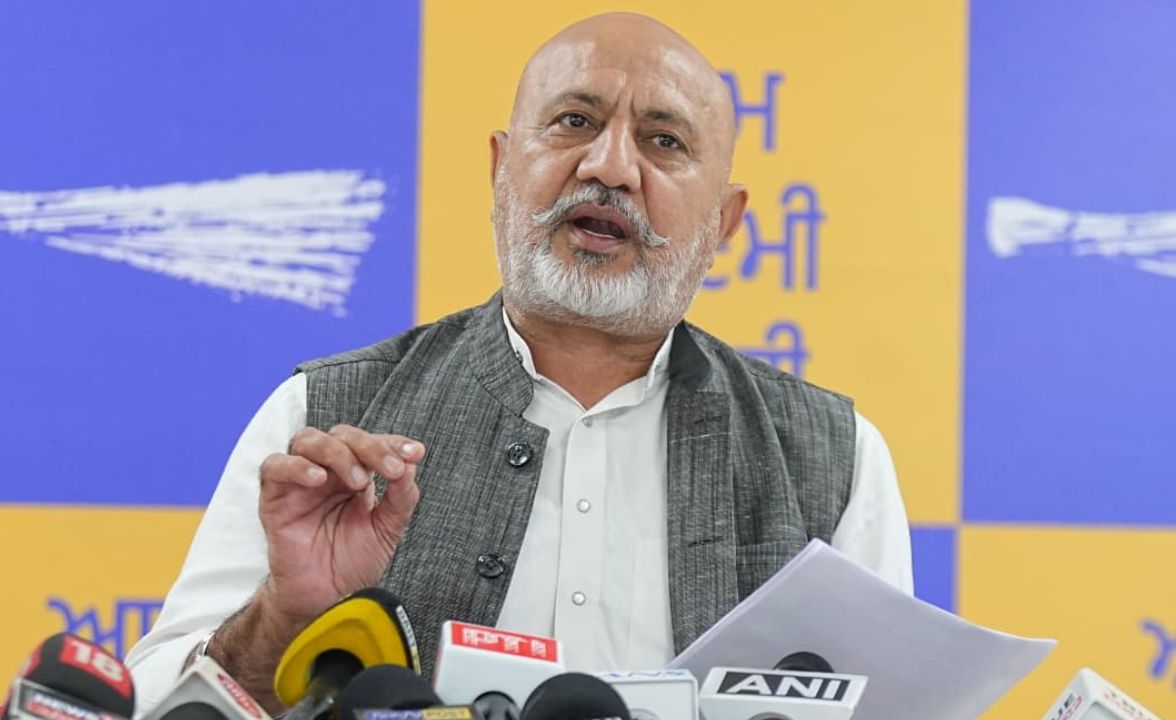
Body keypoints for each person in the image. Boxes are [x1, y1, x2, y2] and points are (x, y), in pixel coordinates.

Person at [125, 12, 912, 715]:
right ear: (501, 170)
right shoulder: (326, 419)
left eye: (663, 141)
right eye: (575, 122)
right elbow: (160, 704)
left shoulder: (833, 459)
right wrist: (285, 616)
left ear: (724, 223)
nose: (610, 167)